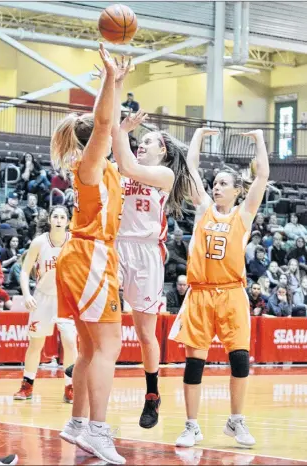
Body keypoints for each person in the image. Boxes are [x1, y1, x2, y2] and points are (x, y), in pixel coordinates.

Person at [169, 127, 269, 448]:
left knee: (239, 360)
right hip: (200, 293)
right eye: (215, 183)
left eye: (224, 183)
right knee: (194, 364)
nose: (216, 187)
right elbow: (191, 167)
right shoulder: (203, 210)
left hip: (232, 293)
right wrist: (197, 135)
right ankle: (191, 425)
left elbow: (262, 176)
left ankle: (235, 420)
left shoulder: (244, 215)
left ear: (238, 190)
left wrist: (258, 140)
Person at [51, 44, 125, 464]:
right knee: (109, 347)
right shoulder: (91, 163)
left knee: (87, 348)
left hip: (83, 256)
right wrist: (109, 79)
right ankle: (98, 431)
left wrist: (115, 83)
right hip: (91, 257)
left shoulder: (101, 164)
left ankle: (77, 424)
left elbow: (109, 123)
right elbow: (102, 121)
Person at [112, 64, 195, 430]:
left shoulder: (164, 175)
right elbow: (117, 157)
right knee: (102, 319)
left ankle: (151, 393)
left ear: (162, 151)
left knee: (146, 335)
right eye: (140, 141)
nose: (142, 143)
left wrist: (123, 130)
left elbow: (127, 165)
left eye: (149, 141)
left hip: (146, 254)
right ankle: (87, 359)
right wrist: (117, 87)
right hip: (115, 246)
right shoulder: (121, 165)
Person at [13, 206, 77, 404]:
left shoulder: (74, 242)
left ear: (68, 221)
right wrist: (26, 294)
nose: (58, 220)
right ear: (49, 220)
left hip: (66, 299)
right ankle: (27, 385)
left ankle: (70, 386)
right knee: (36, 344)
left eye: (62, 217)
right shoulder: (39, 242)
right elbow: (24, 271)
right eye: (55, 216)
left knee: (70, 342)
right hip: (42, 297)